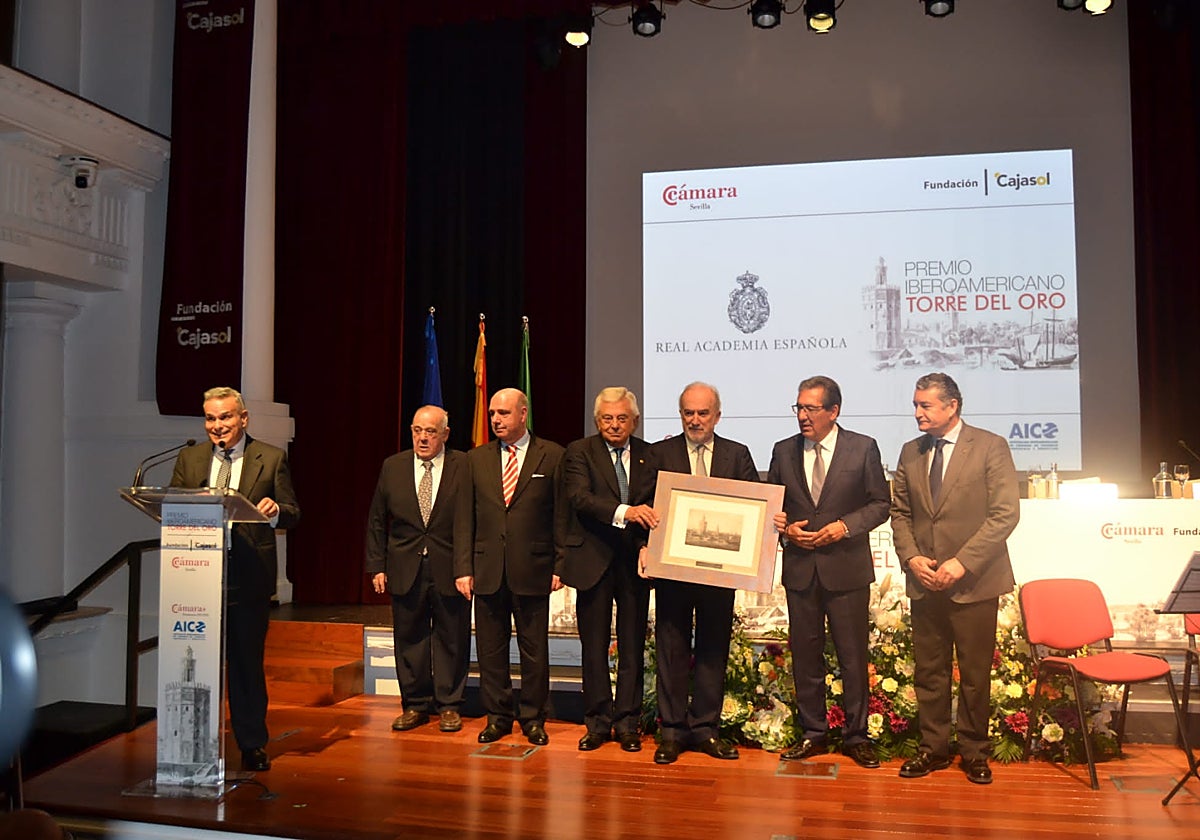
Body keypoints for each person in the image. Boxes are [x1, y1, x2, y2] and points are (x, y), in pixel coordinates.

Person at [890, 372, 1019, 785]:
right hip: (924, 581)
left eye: (925, 406)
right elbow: (901, 513)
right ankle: (933, 749)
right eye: (916, 404)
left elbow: (1005, 514)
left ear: (952, 406)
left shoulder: (990, 446)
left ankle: (975, 752)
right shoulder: (910, 452)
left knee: (975, 673)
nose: (917, 413)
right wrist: (911, 559)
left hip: (974, 582)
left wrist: (961, 562)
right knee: (929, 672)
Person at [170, 386, 300, 772]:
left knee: (245, 663)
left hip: (248, 576)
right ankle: (196, 743)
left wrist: (276, 510)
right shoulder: (189, 457)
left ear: (243, 418)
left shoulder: (271, 458)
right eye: (211, 418)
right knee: (197, 666)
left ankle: (252, 743)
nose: (217, 426)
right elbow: (174, 503)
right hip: (196, 575)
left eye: (225, 417)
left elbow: (293, 511)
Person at [768, 376, 891, 768]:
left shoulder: (862, 447)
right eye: (798, 408)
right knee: (805, 656)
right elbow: (774, 507)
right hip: (802, 569)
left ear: (833, 411)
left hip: (846, 570)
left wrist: (844, 526)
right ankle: (813, 733)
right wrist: (786, 530)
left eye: (810, 409)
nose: (802, 416)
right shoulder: (782, 451)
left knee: (852, 656)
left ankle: (856, 736)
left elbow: (880, 504)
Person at [645, 382, 758, 764]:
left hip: (720, 575)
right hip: (672, 572)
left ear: (717, 415)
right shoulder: (659, 453)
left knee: (713, 650)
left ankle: (706, 729)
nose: (695, 420)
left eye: (702, 413)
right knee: (672, 651)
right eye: (688, 413)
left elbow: (754, 507)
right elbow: (644, 507)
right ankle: (672, 732)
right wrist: (645, 546)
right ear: (680, 415)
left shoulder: (737, 454)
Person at [454, 388, 564, 746]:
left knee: (534, 650)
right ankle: (498, 716)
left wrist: (560, 564)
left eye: (503, 413)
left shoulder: (553, 456)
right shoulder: (475, 459)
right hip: (487, 570)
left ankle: (533, 718)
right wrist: (462, 568)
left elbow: (561, 517)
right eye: (492, 414)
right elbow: (463, 519)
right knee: (490, 650)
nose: (496, 420)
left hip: (533, 568)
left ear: (523, 413)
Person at [560, 387, 659, 753]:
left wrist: (648, 544)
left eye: (621, 418)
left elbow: (658, 504)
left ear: (634, 420)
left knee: (632, 647)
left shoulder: (652, 454)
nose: (614, 425)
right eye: (607, 418)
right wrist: (626, 512)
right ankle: (598, 723)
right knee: (594, 647)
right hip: (592, 561)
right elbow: (580, 498)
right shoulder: (579, 452)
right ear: (596, 420)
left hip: (636, 562)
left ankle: (628, 723)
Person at [366, 405, 470, 734]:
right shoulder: (393, 466)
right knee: (409, 638)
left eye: (430, 432)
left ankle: (450, 705)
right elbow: (377, 521)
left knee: (451, 637)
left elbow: (472, 520)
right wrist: (377, 565)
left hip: (450, 567)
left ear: (445, 434)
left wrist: (467, 567)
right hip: (404, 566)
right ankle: (415, 704)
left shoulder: (463, 465)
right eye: (417, 431)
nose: (423, 438)